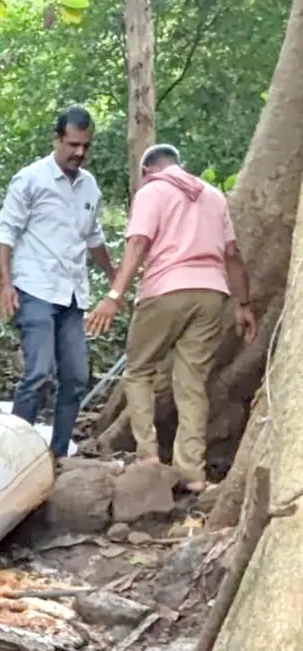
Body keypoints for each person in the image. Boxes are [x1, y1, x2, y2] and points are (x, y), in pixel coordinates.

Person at [85, 144, 256, 492]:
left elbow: (137, 246)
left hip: (165, 290)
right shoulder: (213, 196)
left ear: (148, 171)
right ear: (181, 166)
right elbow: (233, 254)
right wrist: (243, 303)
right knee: (192, 382)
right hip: (211, 295)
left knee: (139, 370)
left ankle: (147, 455)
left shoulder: (153, 191)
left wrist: (113, 296)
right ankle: (192, 472)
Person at [0, 105, 115, 459]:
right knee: (39, 372)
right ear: (57, 139)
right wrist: (6, 283)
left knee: (76, 376)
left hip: (73, 293)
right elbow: (6, 231)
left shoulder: (89, 185)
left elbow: (94, 238)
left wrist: (115, 278)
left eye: (85, 146)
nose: (79, 152)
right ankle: (11, 454)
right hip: (35, 288)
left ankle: (57, 455)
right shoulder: (31, 179)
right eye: (73, 144)